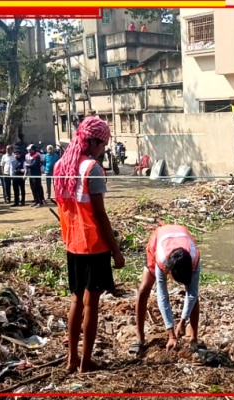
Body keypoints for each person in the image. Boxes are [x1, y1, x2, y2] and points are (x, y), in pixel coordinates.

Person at [53, 116, 125, 373]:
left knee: (75, 301)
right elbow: (100, 215)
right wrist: (116, 250)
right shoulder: (91, 168)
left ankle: (71, 358)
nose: (104, 149)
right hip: (93, 245)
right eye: (103, 144)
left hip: (72, 243)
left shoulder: (61, 165)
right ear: (93, 141)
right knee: (91, 304)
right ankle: (85, 361)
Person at [133, 224, 203, 355]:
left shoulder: (194, 258)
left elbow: (192, 294)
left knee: (194, 294)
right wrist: (171, 333)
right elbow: (162, 296)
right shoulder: (162, 259)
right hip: (159, 240)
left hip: (182, 237)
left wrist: (182, 321)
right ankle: (140, 336)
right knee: (144, 289)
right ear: (167, 271)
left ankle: (194, 338)